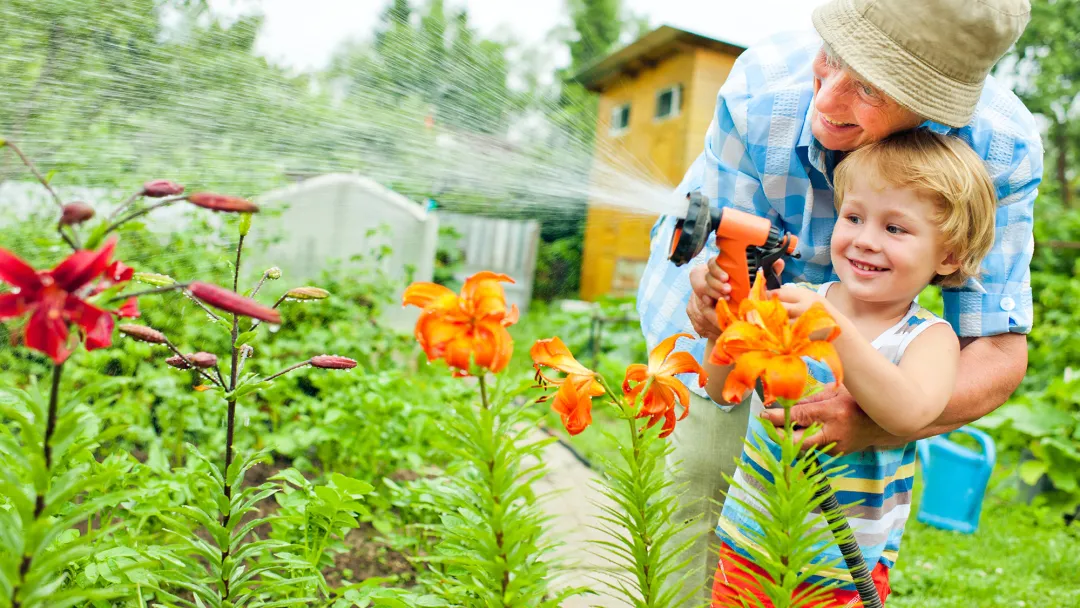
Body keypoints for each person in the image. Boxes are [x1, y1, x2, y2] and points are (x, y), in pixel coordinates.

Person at [635, 0, 1042, 602]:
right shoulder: (765, 89)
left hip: (844, 532)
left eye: (872, 89)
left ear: (934, 108)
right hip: (746, 368)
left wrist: (877, 416)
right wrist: (720, 313)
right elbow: (720, 356)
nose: (824, 101)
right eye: (832, 57)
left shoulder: (999, 150)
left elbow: (996, 346)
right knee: (695, 507)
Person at [701, 129, 997, 606]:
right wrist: (726, 320)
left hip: (839, 570)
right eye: (853, 217)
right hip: (749, 549)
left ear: (948, 256)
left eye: (894, 228)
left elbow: (909, 413)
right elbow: (723, 390)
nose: (864, 240)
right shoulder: (797, 305)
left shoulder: (928, 338)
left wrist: (837, 333)